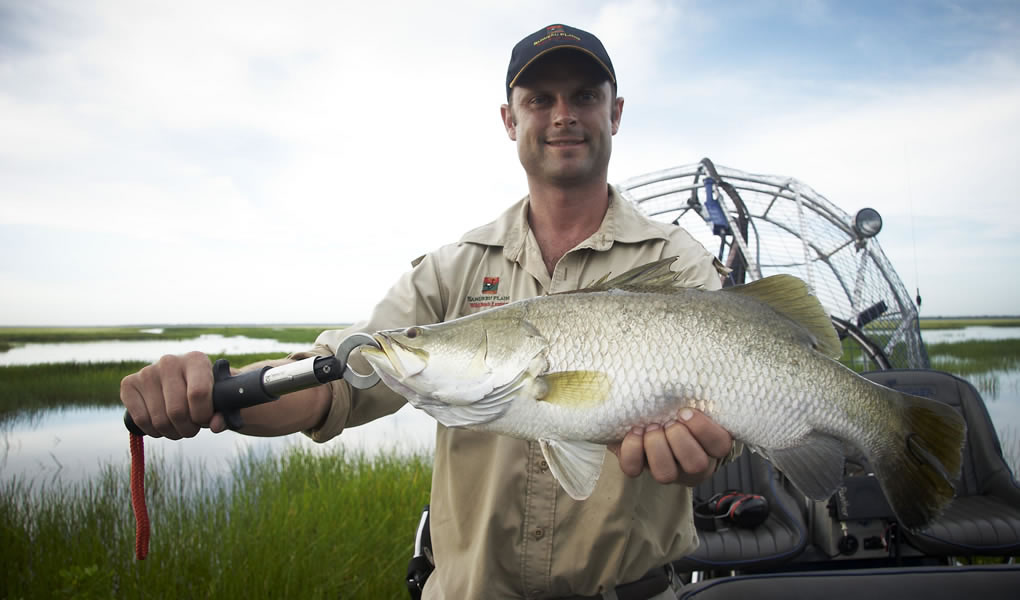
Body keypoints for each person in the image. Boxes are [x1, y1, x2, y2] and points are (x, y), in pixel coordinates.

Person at [120, 24, 736, 599]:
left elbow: (728, 413)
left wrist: (714, 443)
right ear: (508, 119)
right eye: (539, 100)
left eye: (584, 96)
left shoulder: (679, 263)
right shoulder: (451, 269)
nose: (563, 116)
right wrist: (217, 392)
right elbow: (341, 376)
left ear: (616, 113)